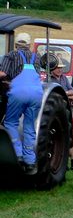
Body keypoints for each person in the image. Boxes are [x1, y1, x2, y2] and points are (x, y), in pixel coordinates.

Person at [0, 32, 41, 174]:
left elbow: (3, 74)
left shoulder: (11, 55)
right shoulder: (37, 56)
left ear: (16, 44)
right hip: (36, 94)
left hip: (18, 93)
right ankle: (30, 161)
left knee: (10, 122)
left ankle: (17, 154)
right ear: (29, 45)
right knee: (29, 126)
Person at [47, 60, 73, 171]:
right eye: (58, 68)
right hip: (56, 113)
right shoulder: (48, 80)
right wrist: (67, 95)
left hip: (67, 110)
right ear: (52, 70)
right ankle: (63, 161)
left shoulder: (63, 78)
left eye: (61, 68)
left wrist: (64, 94)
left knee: (71, 135)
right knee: (60, 135)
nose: (60, 69)